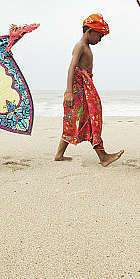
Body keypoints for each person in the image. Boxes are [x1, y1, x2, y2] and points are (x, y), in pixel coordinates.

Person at [54, 14, 124, 166]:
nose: (100, 39)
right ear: (89, 32)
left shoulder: (86, 47)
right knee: (82, 120)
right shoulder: (80, 46)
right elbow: (72, 68)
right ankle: (103, 157)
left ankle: (60, 155)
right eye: (99, 35)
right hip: (77, 91)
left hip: (84, 89)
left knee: (79, 120)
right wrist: (70, 92)